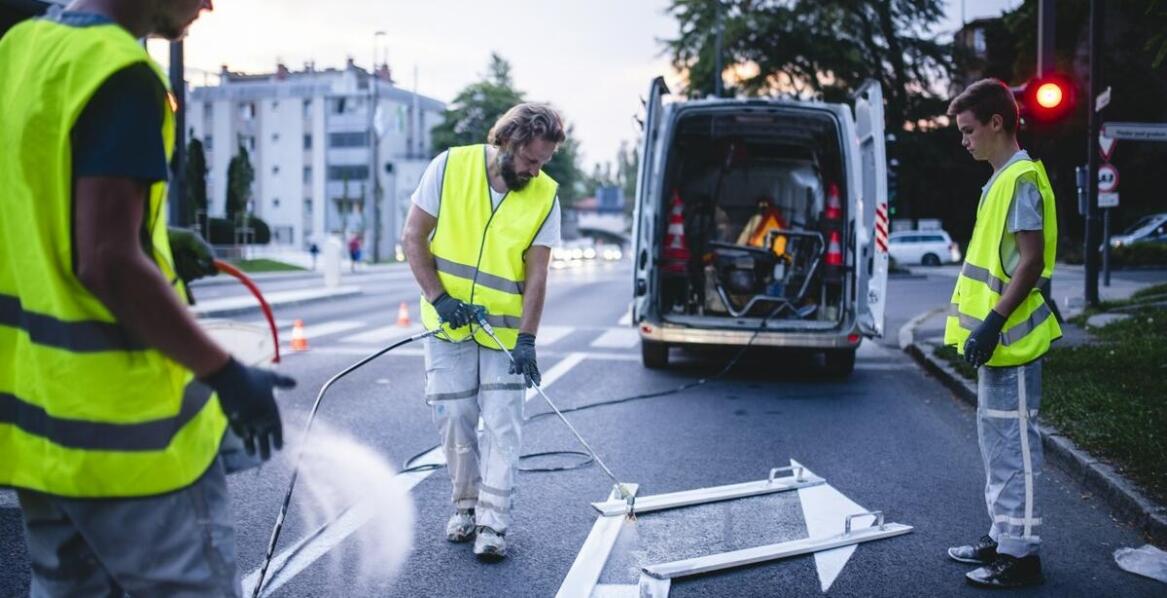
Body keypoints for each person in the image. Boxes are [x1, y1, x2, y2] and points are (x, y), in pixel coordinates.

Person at [0, 1, 294, 595]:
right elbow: (107, 261)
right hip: (134, 441)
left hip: (41, 437)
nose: (209, 4)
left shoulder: (19, 50)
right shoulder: (120, 71)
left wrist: (153, 237)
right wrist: (226, 374)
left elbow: (40, 207)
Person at [402, 103, 564, 561]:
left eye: (543, 162)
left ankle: (493, 525)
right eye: (531, 160)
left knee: (503, 426)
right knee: (454, 419)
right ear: (507, 144)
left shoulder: (546, 195)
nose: (536, 171)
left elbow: (537, 275)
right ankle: (466, 507)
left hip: (505, 336)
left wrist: (528, 339)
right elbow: (413, 236)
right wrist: (439, 298)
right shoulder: (449, 166)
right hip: (447, 325)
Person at [943, 78, 1061, 589]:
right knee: (998, 446)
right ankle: (1002, 535)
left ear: (997, 122)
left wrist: (991, 323)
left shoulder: (1021, 180)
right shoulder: (999, 181)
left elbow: (1030, 261)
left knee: (1015, 449)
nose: (964, 140)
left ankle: (1021, 555)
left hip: (1012, 340)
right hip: (999, 343)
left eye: (969, 130)